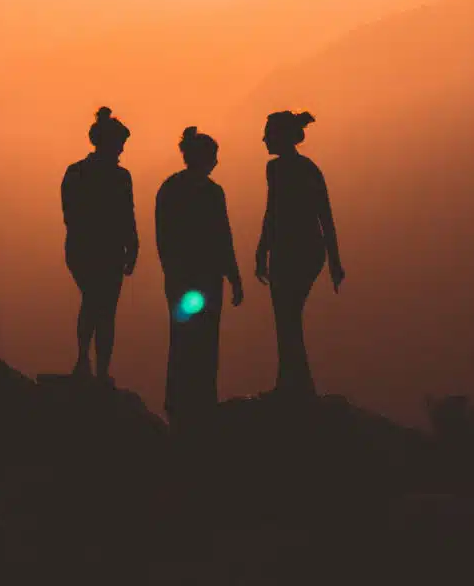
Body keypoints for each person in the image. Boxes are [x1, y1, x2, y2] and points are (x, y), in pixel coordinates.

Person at [156, 126, 243, 431]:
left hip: (185, 278)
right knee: (204, 337)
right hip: (202, 277)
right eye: (214, 156)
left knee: (183, 336)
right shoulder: (210, 192)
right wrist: (233, 276)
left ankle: (181, 399)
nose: (217, 162)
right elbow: (223, 237)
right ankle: (200, 399)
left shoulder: (170, 188)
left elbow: (163, 238)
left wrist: (172, 271)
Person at [255, 110, 345, 399]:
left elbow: (317, 213)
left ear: (280, 136)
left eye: (268, 133)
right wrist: (333, 260)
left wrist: (262, 249)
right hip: (302, 249)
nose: (264, 139)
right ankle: (294, 383)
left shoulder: (285, 170)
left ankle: (293, 386)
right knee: (288, 317)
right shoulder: (304, 169)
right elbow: (321, 216)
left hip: (295, 250)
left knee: (287, 317)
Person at [60, 106, 139, 384]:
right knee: (103, 306)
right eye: (120, 145)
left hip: (84, 249)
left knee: (94, 303)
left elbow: (69, 214)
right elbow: (126, 216)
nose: (122, 150)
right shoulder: (119, 177)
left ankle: (87, 363)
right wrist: (132, 246)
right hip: (103, 250)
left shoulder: (76, 172)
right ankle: (96, 368)